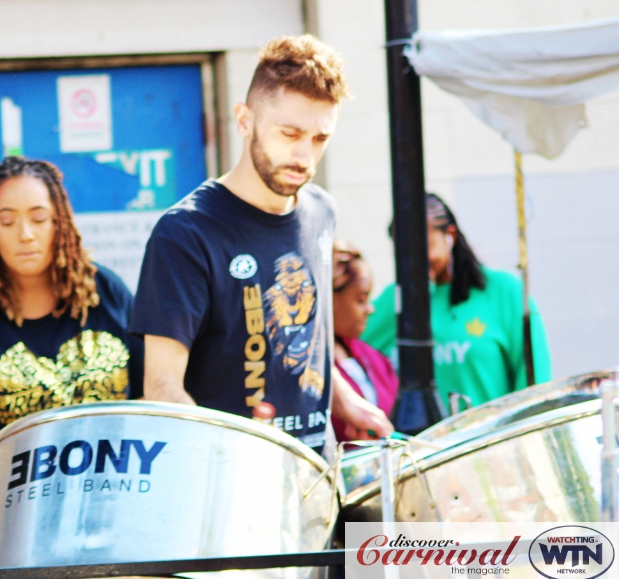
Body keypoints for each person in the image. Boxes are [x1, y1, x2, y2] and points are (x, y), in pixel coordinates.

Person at [129, 35, 393, 453]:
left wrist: (347, 402)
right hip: (231, 489)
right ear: (245, 120)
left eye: (320, 139)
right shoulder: (185, 232)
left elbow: (308, 336)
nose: (304, 156)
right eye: (290, 133)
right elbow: (162, 389)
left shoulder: (322, 211)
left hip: (317, 478)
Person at [0, 157, 143, 453]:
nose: (25, 234)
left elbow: (150, 397)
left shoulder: (107, 291)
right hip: (20, 493)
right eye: (7, 221)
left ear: (60, 220)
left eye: (39, 218)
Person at [361, 193, 551, 409]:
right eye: (404, 252)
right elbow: (355, 352)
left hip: (492, 438)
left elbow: (534, 381)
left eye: (423, 247)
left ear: (449, 236)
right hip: (420, 442)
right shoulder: (394, 300)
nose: (414, 260)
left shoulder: (504, 291)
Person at [331, 240, 398, 442]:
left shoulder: (374, 359)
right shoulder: (303, 365)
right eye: (361, 300)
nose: (370, 309)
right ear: (330, 299)